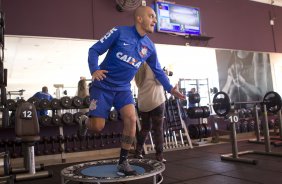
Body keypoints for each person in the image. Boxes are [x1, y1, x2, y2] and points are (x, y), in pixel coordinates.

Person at [78, 6, 185, 176]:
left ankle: (123, 161)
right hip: (103, 85)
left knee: (131, 120)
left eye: (155, 18)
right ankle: (84, 120)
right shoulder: (119, 32)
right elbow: (94, 50)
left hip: (123, 89)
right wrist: (94, 69)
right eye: (151, 16)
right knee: (97, 126)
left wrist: (171, 89)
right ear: (139, 19)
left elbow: (157, 70)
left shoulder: (149, 46)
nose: (155, 20)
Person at [134, 62, 166, 162]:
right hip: (156, 101)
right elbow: (161, 81)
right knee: (158, 130)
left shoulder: (137, 66)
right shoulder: (153, 65)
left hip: (143, 103)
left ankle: (138, 152)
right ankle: (159, 156)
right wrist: (164, 73)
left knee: (145, 128)